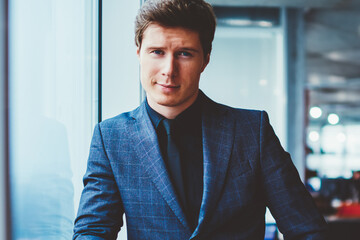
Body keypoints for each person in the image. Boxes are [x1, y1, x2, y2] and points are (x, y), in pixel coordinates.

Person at [73, 0, 328, 239]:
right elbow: (92, 230)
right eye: (157, 52)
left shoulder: (252, 131)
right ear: (139, 52)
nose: (169, 70)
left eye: (184, 53)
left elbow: (306, 229)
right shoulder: (112, 137)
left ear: (205, 59)